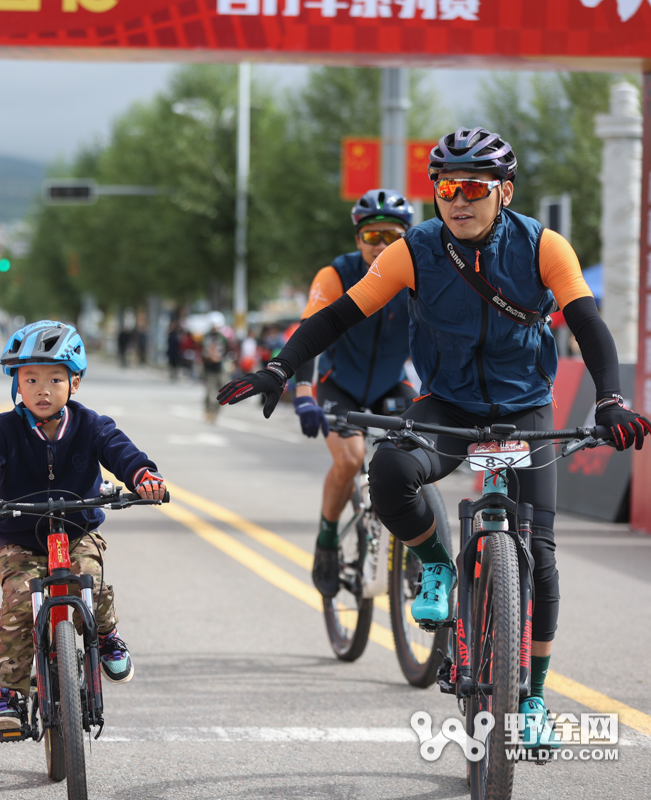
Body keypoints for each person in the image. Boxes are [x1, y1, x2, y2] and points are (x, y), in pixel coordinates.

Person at [218, 127, 651, 748]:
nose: (459, 200)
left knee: (545, 560)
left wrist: (610, 398)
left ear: (503, 191)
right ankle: (437, 569)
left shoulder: (542, 245)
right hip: (447, 403)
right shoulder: (414, 250)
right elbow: (338, 315)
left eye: (474, 187)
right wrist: (281, 369)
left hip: (526, 408)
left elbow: (588, 321)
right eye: (447, 187)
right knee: (390, 472)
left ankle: (532, 698)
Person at [0, 320, 165, 734]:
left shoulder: (92, 425)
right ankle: (8, 694)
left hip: (77, 531)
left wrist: (144, 477)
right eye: (31, 379)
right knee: (20, 603)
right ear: (16, 385)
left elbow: (123, 453)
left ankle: (108, 634)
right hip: (20, 540)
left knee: (90, 582)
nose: (43, 389)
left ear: (74, 384)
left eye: (55, 378)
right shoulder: (2, 430)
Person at [294, 189, 417, 597]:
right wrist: (304, 393)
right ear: (357, 239)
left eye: (392, 237)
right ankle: (328, 540)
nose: (381, 246)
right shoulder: (336, 275)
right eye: (372, 236)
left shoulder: (420, 274)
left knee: (419, 455)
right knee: (350, 459)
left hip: (390, 385)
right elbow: (309, 334)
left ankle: (417, 546)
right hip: (338, 385)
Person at [201, 313, 229, 423]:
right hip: (209, 369)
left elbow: (228, 351)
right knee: (209, 392)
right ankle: (208, 411)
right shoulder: (206, 337)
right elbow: (203, 352)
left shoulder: (222, 338)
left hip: (220, 369)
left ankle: (216, 414)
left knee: (222, 393)